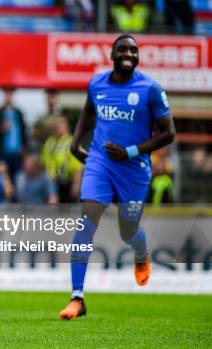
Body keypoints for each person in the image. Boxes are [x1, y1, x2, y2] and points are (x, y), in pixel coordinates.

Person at [60, 34, 175, 319]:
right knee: (87, 221)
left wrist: (131, 151)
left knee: (128, 231)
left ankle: (141, 252)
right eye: (123, 49)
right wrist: (75, 144)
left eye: (134, 50)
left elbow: (168, 133)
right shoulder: (96, 83)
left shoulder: (149, 89)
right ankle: (77, 297)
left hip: (134, 169)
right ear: (112, 55)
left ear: (138, 56)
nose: (129, 53)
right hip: (100, 161)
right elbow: (88, 112)